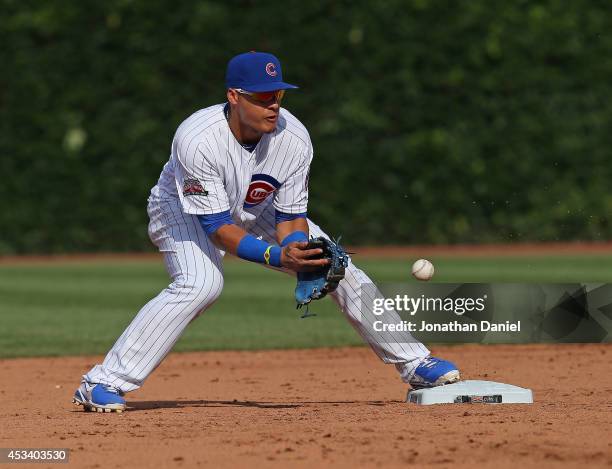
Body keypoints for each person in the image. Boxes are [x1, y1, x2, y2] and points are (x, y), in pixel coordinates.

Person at [73, 52, 460, 413]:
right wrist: (278, 257)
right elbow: (218, 228)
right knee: (201, 283)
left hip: (259, 208)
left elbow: (291, 215)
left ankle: (415, 363)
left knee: (334, 266)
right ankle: (102, 382)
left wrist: (299, 252)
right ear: (234, 97)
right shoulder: (197, 139)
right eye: (261, 97)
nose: (273, 105)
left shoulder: (294, 137)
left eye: (276, 95)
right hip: (185, 211)